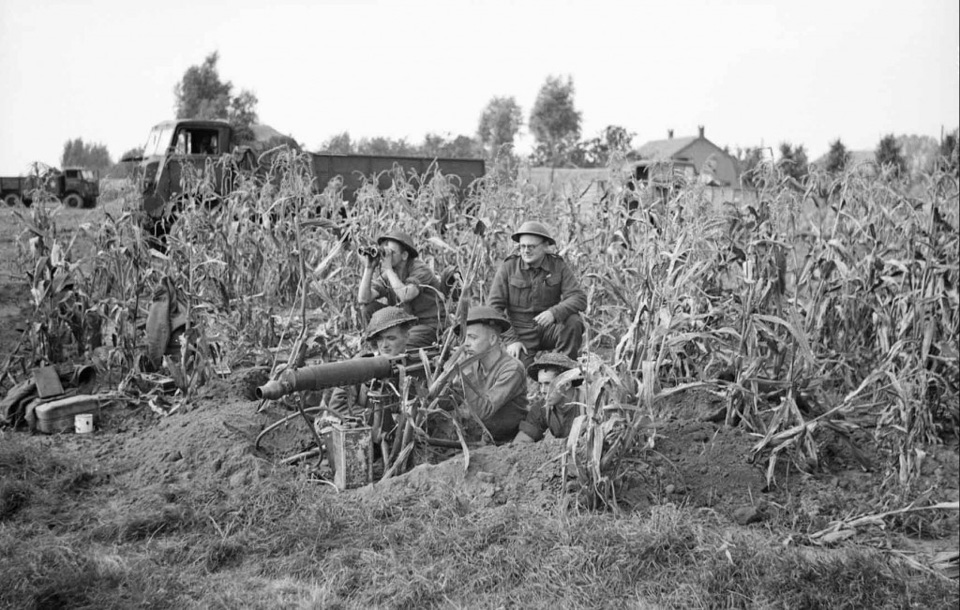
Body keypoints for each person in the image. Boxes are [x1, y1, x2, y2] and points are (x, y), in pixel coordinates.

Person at [486, 220, 587, 367]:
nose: (526, 251)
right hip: (519, 332)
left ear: (545, 247)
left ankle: (564, 370)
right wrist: (511, 340)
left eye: (531, 246)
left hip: (549, 328)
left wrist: (554, 313)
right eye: (522, 246)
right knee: (520, 375)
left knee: (573, 321)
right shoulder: (509, 268)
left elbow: (579, 298)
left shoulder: (557, 266)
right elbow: (494, 309)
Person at [448, 305, 528, 444]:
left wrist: (465, 374)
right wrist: (445, 376)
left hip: (513, 441)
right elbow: (451, 400)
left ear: (492, 339)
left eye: (472, 337)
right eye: (464, 338)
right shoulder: (473, 364)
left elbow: (484, 411)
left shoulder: (512, 369)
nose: (465, 344)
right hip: (487, 438)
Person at [358, 229, 445, 349]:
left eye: (391, 253)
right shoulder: (390, 274)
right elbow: (364, 298)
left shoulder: (420, 269)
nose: (386, 256)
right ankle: (375, 350)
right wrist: (369, 268)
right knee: (368, 308)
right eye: (384, 252)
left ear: (404, 255)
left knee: (402, 345)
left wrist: (388, 269)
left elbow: (405, 295)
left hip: (428, 325)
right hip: (405, 323)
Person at [326, 306, 417, 419]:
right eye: (380, 339)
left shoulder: (416, 364)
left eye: (391, 338)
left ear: (406, 337)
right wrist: (377, 418)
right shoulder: (362, 364)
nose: (384, 345)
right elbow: (337, 407)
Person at [515, 352, 586, 443]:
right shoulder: (542, 408)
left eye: (548, 384)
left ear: (567, 384)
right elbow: (520, 443)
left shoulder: (587, 405)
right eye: (540, 384)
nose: (543, 390)